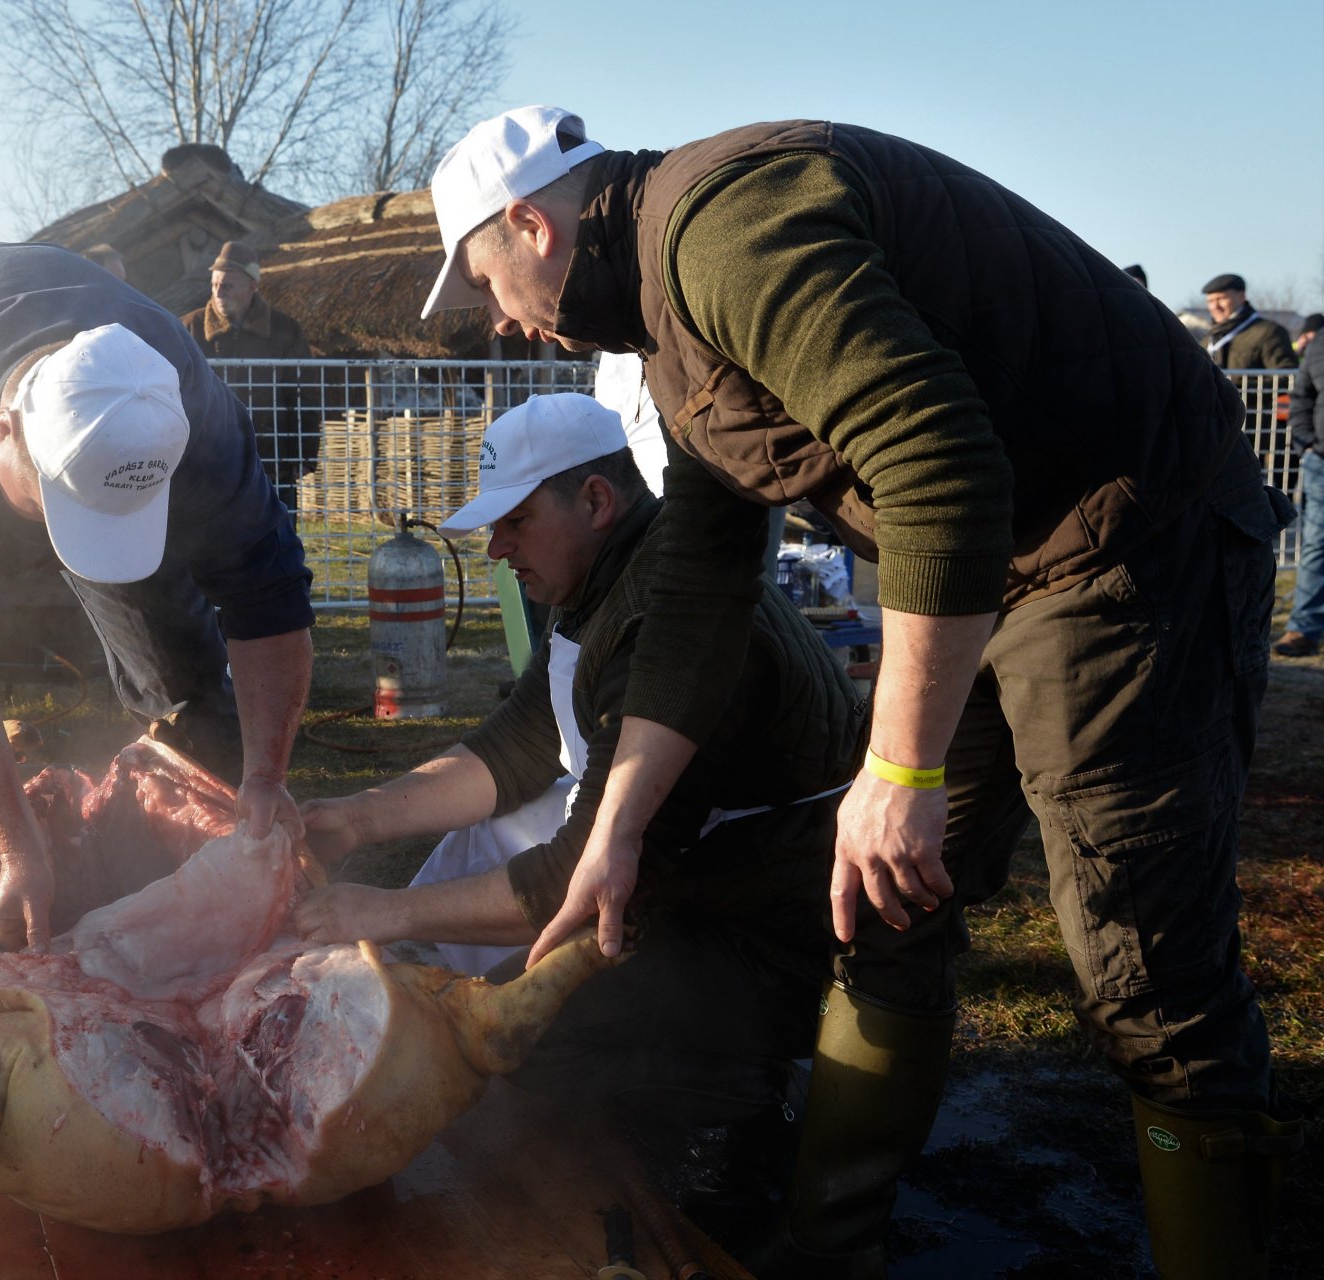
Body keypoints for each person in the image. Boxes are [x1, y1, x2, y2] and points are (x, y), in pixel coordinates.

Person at [421, 106, 1301, 1278]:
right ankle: (829, 1243)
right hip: (994, 556)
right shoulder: (666, 327)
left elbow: (939, 460)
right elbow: (700, 579)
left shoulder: (720, 233)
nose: (501, 320)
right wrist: (615, 833)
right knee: (887, 898)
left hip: (1126, 534)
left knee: (1143, 961)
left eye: (486, 281)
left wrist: (899, 767)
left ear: (531, 222)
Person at [297, 393, 862, 1212]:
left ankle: (742, 1095)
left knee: (532, 1046)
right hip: (677, 872)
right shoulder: (605, 573)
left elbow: (583, 876)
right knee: (476, 903)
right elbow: (519, 745)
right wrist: (353, 818)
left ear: (596, 501)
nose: (498, 548)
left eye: (516, 522)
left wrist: (378, 912)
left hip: (760, 924)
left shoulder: (674, 615)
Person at [0, 241, 314, 1065]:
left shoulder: (187, 410)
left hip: (64, 418)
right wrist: (14, 843)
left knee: (182, 652)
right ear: (6, 432)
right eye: (62, 506)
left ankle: (162, 917)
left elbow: (269, 596)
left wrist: (264, 777)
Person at [179, 240, 319, 509]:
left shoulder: (286, 330)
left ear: (253, 286)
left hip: (272, 462)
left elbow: (306, 393)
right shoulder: (189, 328)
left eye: (228, 285)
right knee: (212, 548)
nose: (218, 292)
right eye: (215, 284)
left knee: (277, 545)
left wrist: (303, 454)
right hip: (206, 465)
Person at [1275, 325, 1324, 657]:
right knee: (1316, 544)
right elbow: (1302, 397)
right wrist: (1307, 442)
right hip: (1320, 459)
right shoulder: (1320, 344)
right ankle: (1303, 629)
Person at [1202, 273, 1298, 369]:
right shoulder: (1208, 339)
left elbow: (1286, 375)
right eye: (1210, 301)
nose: (1215, 306)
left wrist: (1237, 383)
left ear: (1241, 297)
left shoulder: (1269, 332)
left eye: (1221, 299)